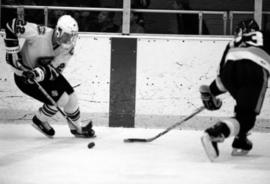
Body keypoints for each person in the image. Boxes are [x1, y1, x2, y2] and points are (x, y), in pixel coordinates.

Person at [4, 15, 96, 138]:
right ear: (58, 31)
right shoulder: (39, 33)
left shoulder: (67, 49)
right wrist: (12, 50)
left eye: (72, 36)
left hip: (43, 75)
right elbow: (12, 25)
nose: (70, 40)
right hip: (24, 78)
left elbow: (53, 70)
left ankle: (77, 128)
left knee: (71, 97)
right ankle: (39, 120)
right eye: (67, 36)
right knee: (61, 100)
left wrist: (37, 73)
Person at [199, 19, 270, 161]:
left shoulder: (233, 42)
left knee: (243, 107)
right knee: (246, 117)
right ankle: (216, 133)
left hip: (229, 70)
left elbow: (222, 78)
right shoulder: (265, 36)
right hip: (255, 69)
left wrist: (212, 94)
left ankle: (241, 141)